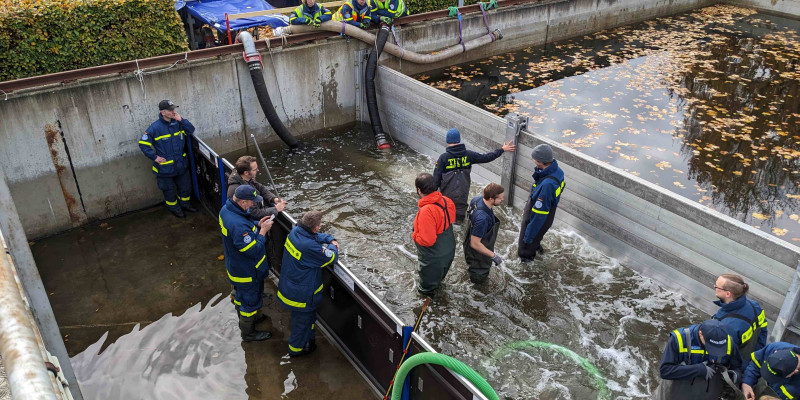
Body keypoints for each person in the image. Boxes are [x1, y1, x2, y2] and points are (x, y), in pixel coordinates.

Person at [277, 210, 339, 357]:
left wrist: (328, 238)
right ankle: (296, 351)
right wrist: (333, 245)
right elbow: (332, 258)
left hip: (291, 287)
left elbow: (314, 237)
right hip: (302, 296)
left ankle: (309, 341)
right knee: (301, 324)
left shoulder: (296, 232)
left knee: (307, 320)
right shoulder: (309, 247)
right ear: (316, 227)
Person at [219, 185, 274, 342]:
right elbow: (252, 250)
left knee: (242, 296)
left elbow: (244, 223)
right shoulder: (237, 225)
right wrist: (263, 231)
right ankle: (249, 333)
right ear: (243, 201)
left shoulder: (227, 209)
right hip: (247, 272)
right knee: (249, 304)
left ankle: (249, 316)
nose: (252, 205)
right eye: (251, 202)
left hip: (236, 266)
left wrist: (256, 224)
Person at [432, 128, 515, 224]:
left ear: (447, 141)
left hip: (446, 199)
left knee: (446, 222)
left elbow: (435, 181)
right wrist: (502, 150)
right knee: (459, 222)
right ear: (459, 140)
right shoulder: (469, 155)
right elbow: (487, 157)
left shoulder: (443, 158)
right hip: (462, 197)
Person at [138, 100, 197, 218]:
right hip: (165, 169)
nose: (173, 112)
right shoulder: (154, 128)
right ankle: (174, 208)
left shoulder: (178, 123)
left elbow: (191, 130)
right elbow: (143, 144)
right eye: (171, 110)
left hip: (181, 165)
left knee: (185, 187)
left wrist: (182, 120)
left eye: (173, 109)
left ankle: (185, 204)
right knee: (169, 191)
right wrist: (155, 157)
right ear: (163, 112)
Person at [656, 319, 743, 400]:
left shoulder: (728, 343)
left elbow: (738, 367)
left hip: (709, 394)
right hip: (677, 393)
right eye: (712, 347)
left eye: (719, 349)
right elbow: (665, 371)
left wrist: (734, 376)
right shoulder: (678, 339)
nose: (715, 352)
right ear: (700, 334)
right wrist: (699, 369)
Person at [518, 144, 565, 262]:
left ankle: (526, 272)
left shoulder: (547, 185)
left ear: (541, 162)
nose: (532, 160)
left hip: (540, 216)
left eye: (534, 158)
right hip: (547, 212)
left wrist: (528, 237)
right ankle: (537, 248)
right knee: (536, 239)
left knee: (524, 251)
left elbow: (539, 216)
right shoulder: (557, 171)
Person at [412, 173, 456, 297]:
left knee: (426, 291)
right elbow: (451, 219)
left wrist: (415, 235)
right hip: (449, 248)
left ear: (419, 190)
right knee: (438, 280)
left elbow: (427, 241)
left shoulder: (426, 211)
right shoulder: (447, 201)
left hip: (434, 256)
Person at [713, 274, 768, 371]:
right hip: (752, 359)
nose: (714, 287)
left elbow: (722, 356)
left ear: (728, 294)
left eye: (717, 286)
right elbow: (763, 331)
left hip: (737, 367)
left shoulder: (727, 326)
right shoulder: (754, 305)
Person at [463, 183, 505, 284]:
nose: (502, 199)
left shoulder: (477, 199)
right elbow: (475, 243)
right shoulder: (482, 219)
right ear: (491, 199)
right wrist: (493, 256)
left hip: (471, 240)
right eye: (500, 198)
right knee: (479, 279)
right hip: (476, 255)